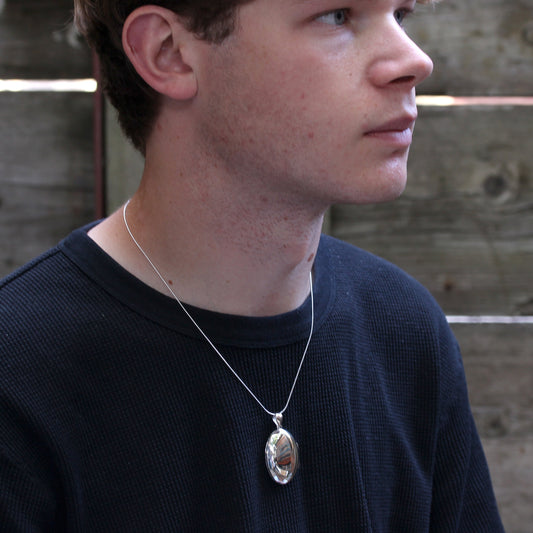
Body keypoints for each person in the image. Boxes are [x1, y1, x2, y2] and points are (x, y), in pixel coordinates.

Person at [0, 0, 505, 531]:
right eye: (336, 15)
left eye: (401, 15)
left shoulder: (404, 334)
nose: (415, 61)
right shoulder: (20, 378)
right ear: (168, 53)